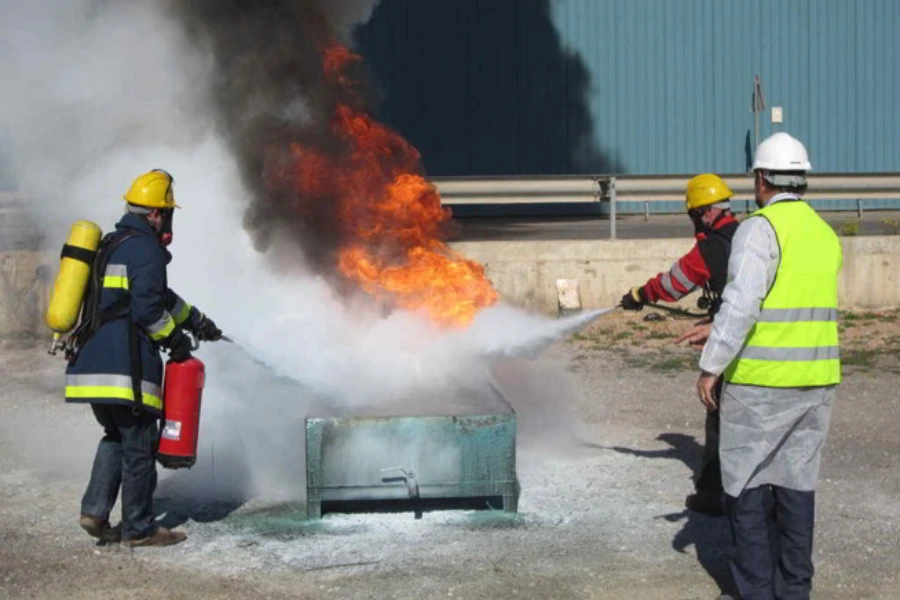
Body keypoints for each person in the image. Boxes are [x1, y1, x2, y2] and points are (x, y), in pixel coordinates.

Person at [693, 133, 841, 600]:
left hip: (760, 384)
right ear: (803, 179)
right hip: (816, 381)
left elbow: (742, 305)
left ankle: (755, 592)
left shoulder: (760, 229)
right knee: (796, 487)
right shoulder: (822, 231)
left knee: (747, 488)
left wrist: (711, 365)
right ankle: (795, 590)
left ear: (761, 179)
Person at [65, 169, 222, 547]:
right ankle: (139, 528)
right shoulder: (146, 250)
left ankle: (95, 512)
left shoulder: (114, 243)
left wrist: (199, 323)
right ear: (155, 214)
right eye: (167, 214)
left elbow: (161, 298)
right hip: (125, 369)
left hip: (92, 365)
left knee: (115, 437)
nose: (168, 222)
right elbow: (149, 310)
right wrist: (177, 342)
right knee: (139, 445)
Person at [621, 173, 739, 516]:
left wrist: (639, 294)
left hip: (733, 340)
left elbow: (675, 283)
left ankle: (714, 493)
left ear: (703, 212)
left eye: (694, 215)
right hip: (753, 332)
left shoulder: (711, 246)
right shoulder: (747, 233)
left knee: (718, 411)